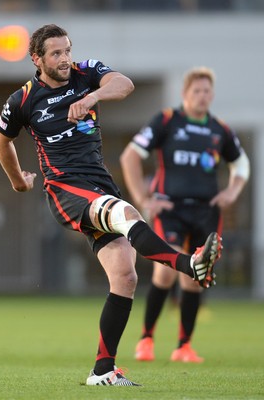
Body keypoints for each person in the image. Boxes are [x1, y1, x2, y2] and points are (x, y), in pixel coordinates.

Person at [0, 25, 222, 386]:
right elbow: (0, 140)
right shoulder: (22, 100)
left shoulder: (86, 72)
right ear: (37, 59)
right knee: (127, 214)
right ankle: (190, 265)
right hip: (66, 189)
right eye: (56, 53)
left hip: (98, 184)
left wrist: (91, 98)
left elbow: (125, 84)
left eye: (67, 50)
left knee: (125, 275)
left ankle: (102, 371)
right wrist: (18, 181)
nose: (65, 58)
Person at [120, 66, 249, 364]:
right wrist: (143, 198)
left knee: (194, 277)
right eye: (197, 91)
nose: (203, 96)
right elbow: (130, 156)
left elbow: (241, 164)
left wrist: (231, 192)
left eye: (207, 91)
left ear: (212, 95)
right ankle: (146, 339)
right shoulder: (166, 121)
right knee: (166, 271)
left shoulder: (220, 130)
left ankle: (184, 346)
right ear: (185, 94)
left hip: (205, 211)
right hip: (171, 209)